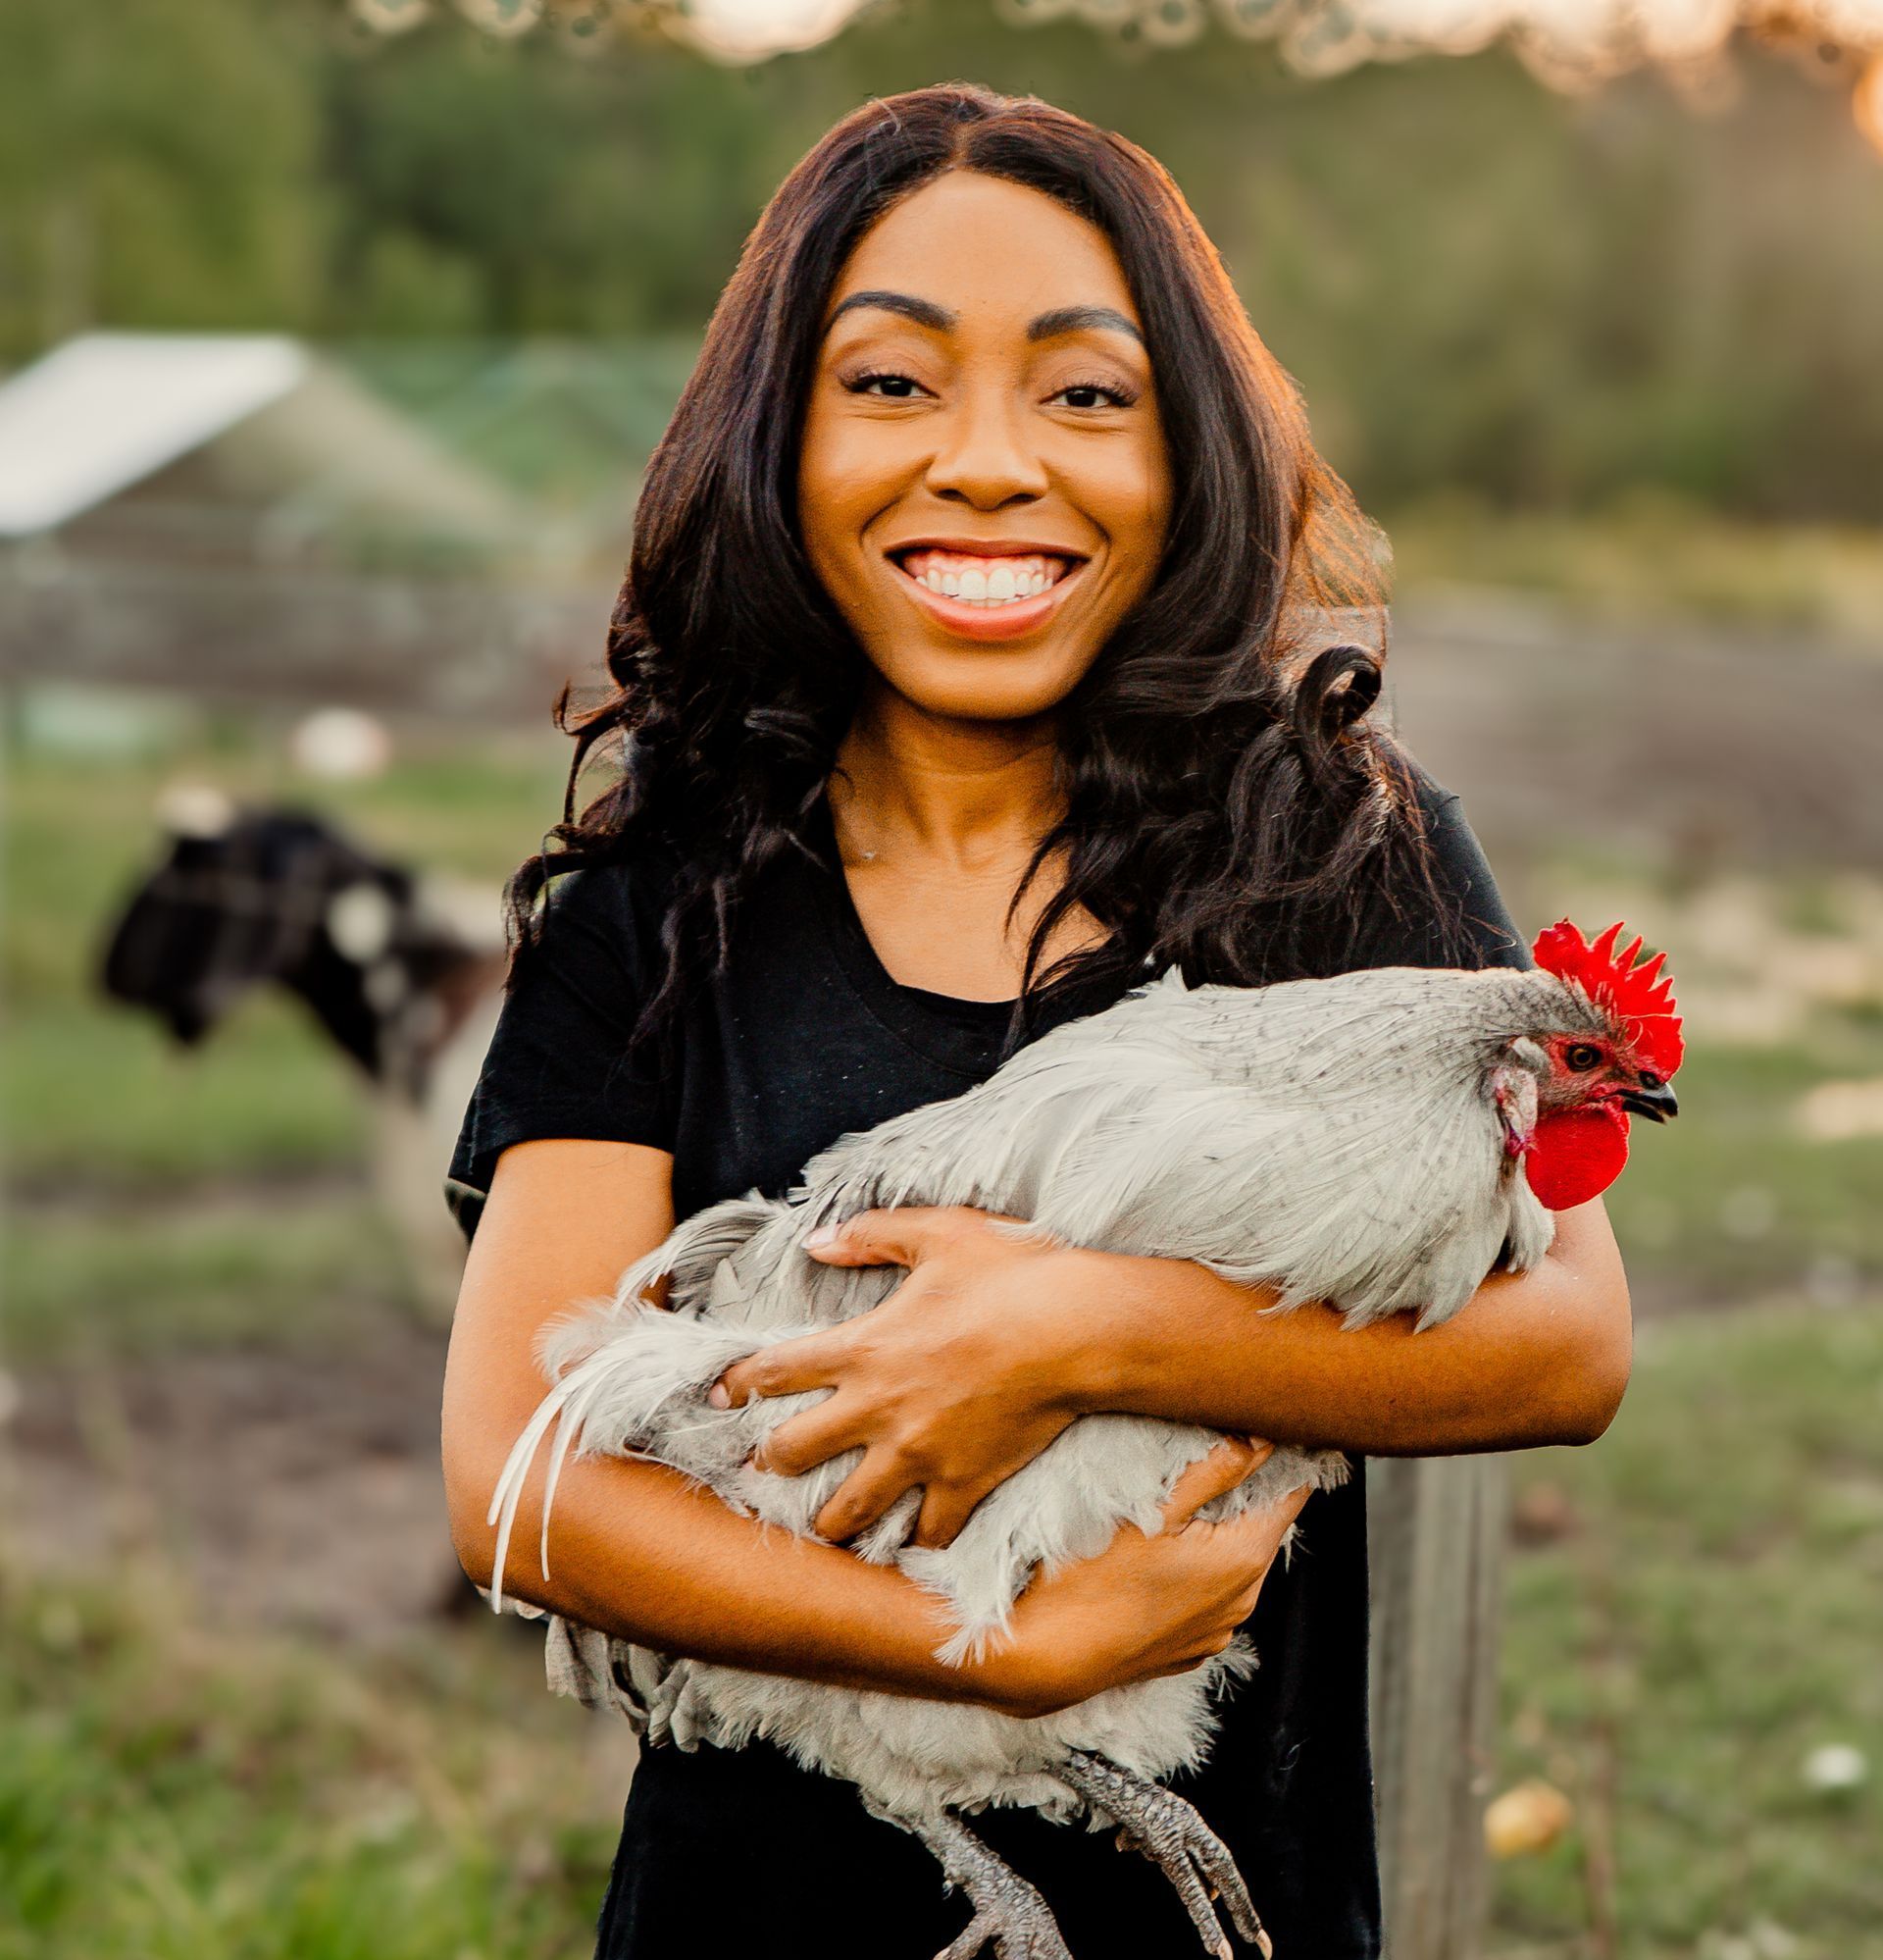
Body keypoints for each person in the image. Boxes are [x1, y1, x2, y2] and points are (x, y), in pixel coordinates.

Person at [439, 84, 1632, 1960]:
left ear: (1188, 451)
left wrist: (1083, 1325)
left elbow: (1568, 1344)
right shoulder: (662, 908)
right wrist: (995, 1649)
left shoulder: (1331, 847)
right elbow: (514, 1479)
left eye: (1085, 392)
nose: (990, 462)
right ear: (778, 439)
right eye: (891, 382)